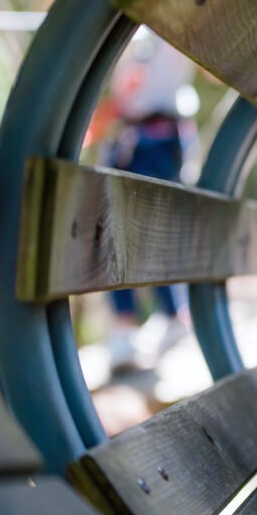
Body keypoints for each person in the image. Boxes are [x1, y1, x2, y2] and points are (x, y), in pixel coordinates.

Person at [89, 29, 199, 371]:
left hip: (160, 138)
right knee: (113, 228)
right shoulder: (123, 31)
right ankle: (126, 326)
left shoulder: (173, 31)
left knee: (157, 229)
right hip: (127, 139)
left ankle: (170, 316)